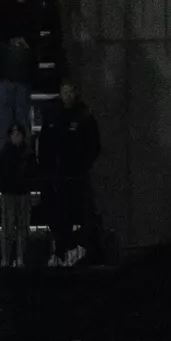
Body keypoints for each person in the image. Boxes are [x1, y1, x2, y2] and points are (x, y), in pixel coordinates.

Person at [38, 79, 101, 267]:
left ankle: (77, 249)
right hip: (56, 177)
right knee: (57, 215)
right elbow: (44, 142)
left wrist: (82, 166)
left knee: (78, 214)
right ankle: (60, 251)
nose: (68, 96)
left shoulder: (84, 115)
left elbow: (94, 145)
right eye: (65, 92)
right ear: (60, 92)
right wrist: (46, 167)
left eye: (71, 92)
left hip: (76, 177)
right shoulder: (52, 115)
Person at [0, 122, 36, 268]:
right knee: (9, 228)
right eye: (13, 134)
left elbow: (34, 173)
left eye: (18, 134)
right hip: (10, 194)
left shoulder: (27, 153)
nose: (16, 137)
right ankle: (7, 258)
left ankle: (17, 258)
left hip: (21, 194)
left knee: (20, 227)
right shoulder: (7, 153)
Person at [0, 34, 34, 158]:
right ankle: (5, 157)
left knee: (13, 120)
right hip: (14, 79)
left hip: (16, 79)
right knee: (11, 120)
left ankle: (23, 157)